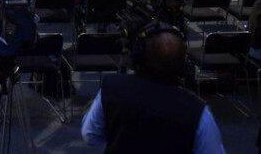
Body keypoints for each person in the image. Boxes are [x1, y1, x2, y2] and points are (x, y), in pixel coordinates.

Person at [81, 26, 225, 153]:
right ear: (182, 66)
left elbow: (90, 136)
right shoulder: (199, 113)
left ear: (139, 57)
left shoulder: (111, 87)